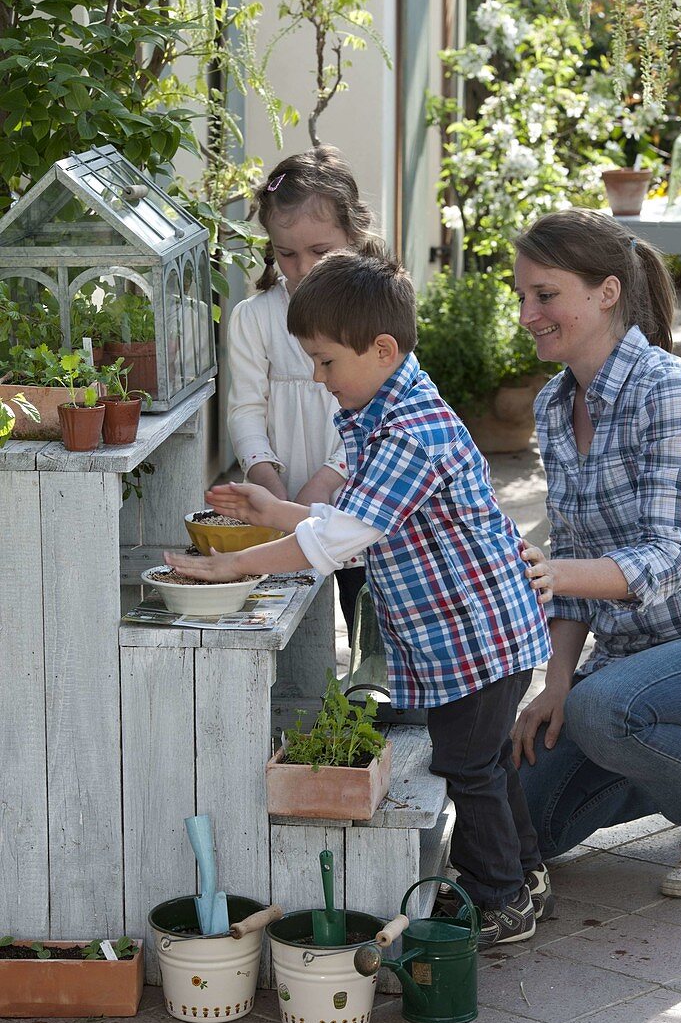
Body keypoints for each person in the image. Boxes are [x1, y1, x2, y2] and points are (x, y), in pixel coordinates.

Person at [166, 250, 555, 943]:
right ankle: (524, 875)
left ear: (380, 349)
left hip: (475, 634)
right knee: (486, 759)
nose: (318, 379)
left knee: (467, 763)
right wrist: (272, 510)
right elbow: (350, 519)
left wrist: (236, 568)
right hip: (479, 631)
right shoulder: (388, 406)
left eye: (324, 362)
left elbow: (338, 540)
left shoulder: (409, 431)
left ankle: (501, 898)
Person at [511, 208, 681, 899]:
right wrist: (553, 685)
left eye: (544, 295)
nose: (527, 314)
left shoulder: (671, 390)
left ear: (606, 292)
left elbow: (664, 559)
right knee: (526, 827)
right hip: (630, 663)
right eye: (521, 296)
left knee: (603, 711)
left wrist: (546, 573)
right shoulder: (554, 405)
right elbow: (575, 552)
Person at [227, 146, 376, 640]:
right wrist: (265, 475)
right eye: (286, 253)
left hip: (359, 492)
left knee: (367, 610)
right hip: (283, 488)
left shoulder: (376, 313)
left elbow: (380, 411)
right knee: (290, 616)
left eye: (321, 251)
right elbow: (246, 406)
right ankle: (306, 703)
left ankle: (378, 700)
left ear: (354, 237)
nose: (303, 267)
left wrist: (327, 480)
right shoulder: (254, 317)